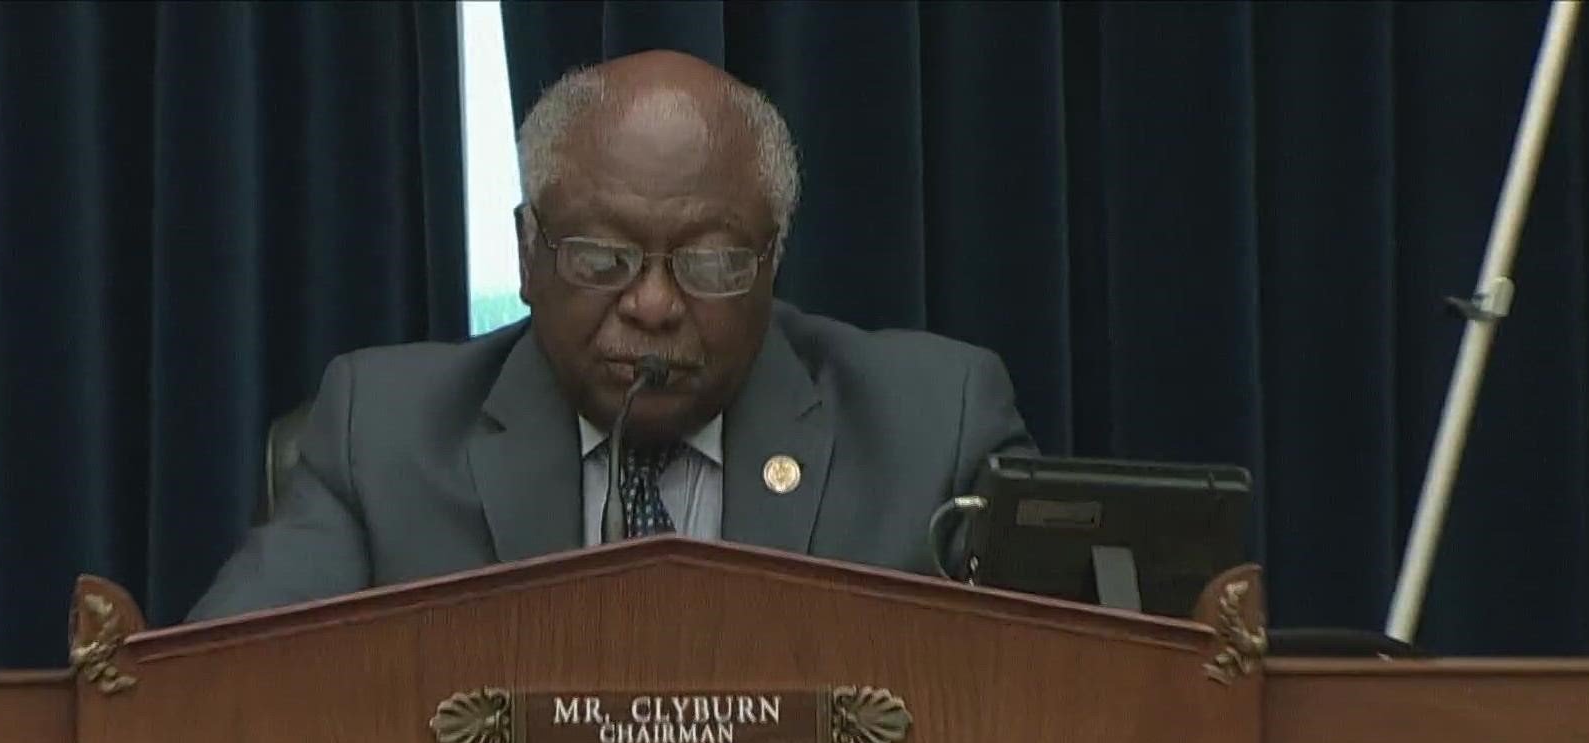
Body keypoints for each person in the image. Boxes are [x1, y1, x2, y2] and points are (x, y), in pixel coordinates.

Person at [188, 50, 1033, 622]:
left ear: (772, 261)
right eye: (602, 259)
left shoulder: (934, 427)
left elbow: (1069, 708)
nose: (655, 306)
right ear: (528, 255)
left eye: (708, 262)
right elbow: (209, 699)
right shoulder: (379, 433)